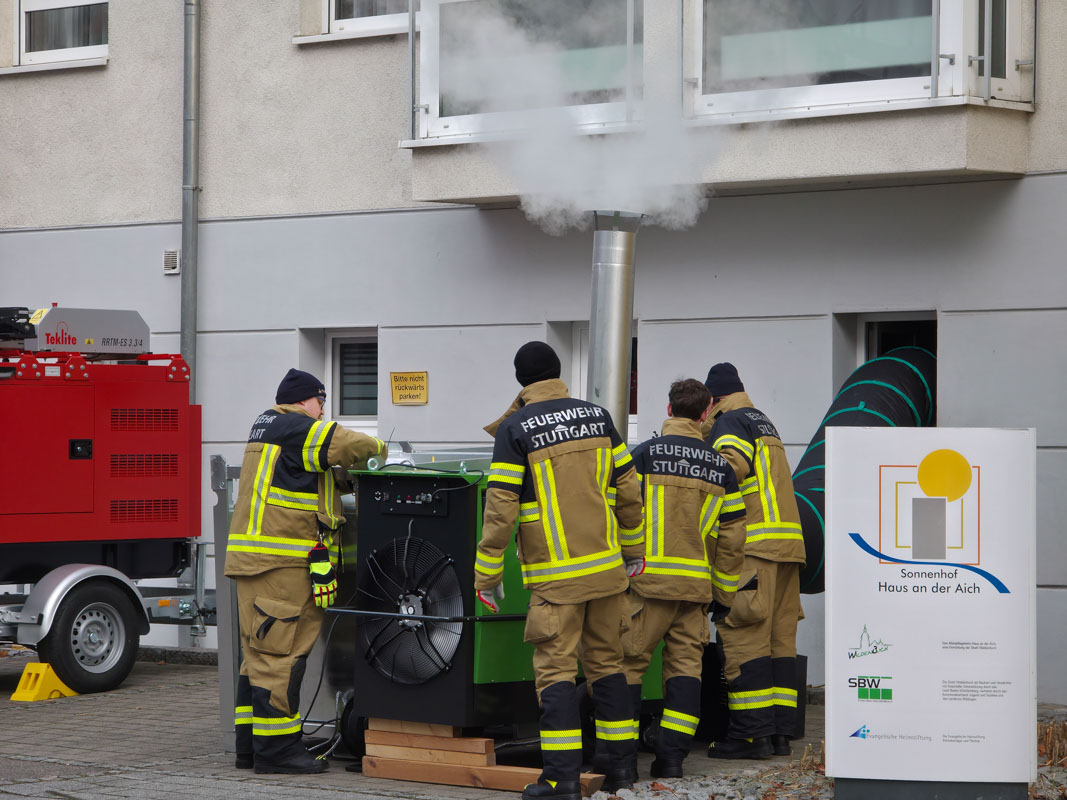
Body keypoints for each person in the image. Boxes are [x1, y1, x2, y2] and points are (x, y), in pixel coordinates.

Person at [475, 341, 645, 800]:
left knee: (555, 675)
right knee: (608, 666)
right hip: (608, 572)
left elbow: (500, 508)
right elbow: (629, 488)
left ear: (521, 381)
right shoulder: (599, 417)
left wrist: (487, 575)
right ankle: (621, 768)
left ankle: (562, 780)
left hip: (557, 579)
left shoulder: (515, 429)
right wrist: (633, 550)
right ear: (558, 372)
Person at [225, 368, 387, 774]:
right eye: (321, 403)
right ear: (305, 401)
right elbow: (350, 443)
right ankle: (278, 753)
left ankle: (253, 747)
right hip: (279, 563)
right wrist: (383, 449)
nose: (323, 412)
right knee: (281, 656)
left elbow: (309, 480)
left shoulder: (269, 428)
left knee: (258, 657)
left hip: (260, 561)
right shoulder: (295, 426)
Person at [623, 378, 747, 778]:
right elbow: (732, 540)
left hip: (645, 588)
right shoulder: (720, 468)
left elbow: (619, 512)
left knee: (627, 670)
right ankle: (672, 761)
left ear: (669, 409)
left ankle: (622, 764)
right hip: (694, 592)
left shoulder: (643, 455)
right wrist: (724, 597)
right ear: (707, 411)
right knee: (684, 676)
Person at [701, 362, 805, 760]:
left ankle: (749, 737)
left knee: (745, 640)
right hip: (787, 550)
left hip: (753, 549)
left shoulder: (730, 423)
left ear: (712, 400)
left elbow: (729, 466)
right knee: (779, 644)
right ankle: (779, 736)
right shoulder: (764, 422)